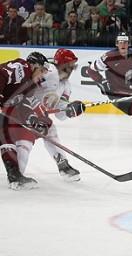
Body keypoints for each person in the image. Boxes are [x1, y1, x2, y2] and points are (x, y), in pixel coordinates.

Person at [16, 48, 85, 183]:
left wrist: (70, 110)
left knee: (51, 131)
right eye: (69, 66)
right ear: (62, 64)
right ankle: (16, 173)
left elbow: (60, 114)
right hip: (24, 111)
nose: (71, 69)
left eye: (72, 66)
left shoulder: (66, 86)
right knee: (26, 141)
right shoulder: (49, 71)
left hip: (39, 117)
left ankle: (63, 165)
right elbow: (27, 87)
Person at [0, 51, 51, 190]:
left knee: (5, 133)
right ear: (33, 65)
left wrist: (32, 118)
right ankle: (14, 175)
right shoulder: (21, 67)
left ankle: (14, 175)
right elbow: (2, 74)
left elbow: (23, 104)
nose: (42, 75)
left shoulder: (31, 84)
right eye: (42, 70)